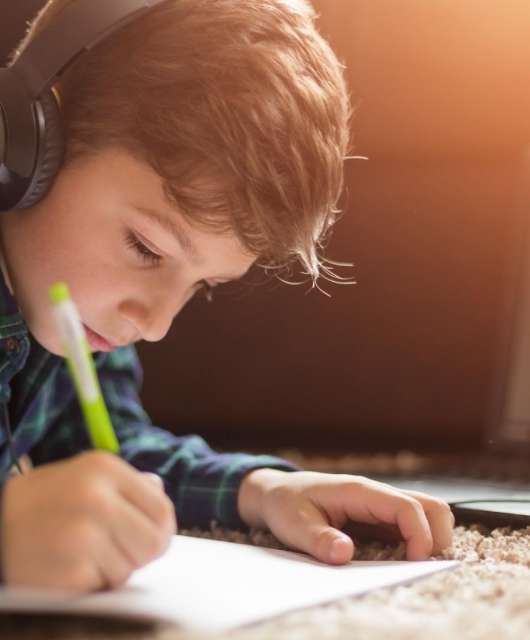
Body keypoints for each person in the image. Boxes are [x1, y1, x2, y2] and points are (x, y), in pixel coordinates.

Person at [0, 0, 454, 592]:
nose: (156, 323)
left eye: (201, 286)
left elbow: (115, 451)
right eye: (145, 247)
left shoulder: (74, 311)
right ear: (20, 141)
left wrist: (262, 491)